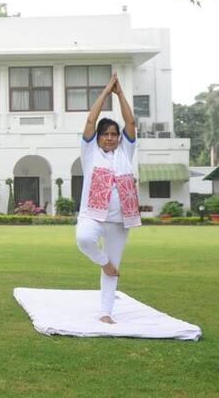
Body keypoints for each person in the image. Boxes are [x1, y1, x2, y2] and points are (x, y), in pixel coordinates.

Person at [76, 72, 141, 324]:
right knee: (83, 239)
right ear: (99, 137)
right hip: (92, 215)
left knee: (115, 267)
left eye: (114, 134)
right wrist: (106, 92)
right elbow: (91, 119)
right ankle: (104, 263)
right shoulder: (90, 152)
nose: (110, 138)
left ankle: (106, 313)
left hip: (119, 221)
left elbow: (131, 124)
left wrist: (121, 94)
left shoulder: (126, 150)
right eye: (106, 134)